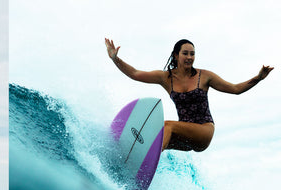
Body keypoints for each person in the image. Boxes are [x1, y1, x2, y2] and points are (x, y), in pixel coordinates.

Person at [105, 38, 273, 152]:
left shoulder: (205, 76)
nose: (189, 57)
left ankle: (148, 165)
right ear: (176, 55)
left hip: (204, 132)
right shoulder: (166, 78)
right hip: (184, 136)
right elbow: (135, 73)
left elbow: (235, 89)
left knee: (167, 125)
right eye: (185, 53)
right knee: (153, 136)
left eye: (192, 53)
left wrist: (258, 78)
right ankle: (129, 159)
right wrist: (115, 59)